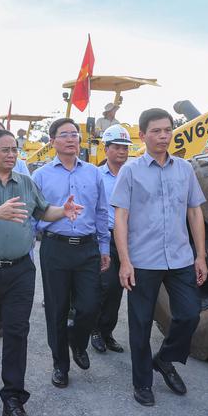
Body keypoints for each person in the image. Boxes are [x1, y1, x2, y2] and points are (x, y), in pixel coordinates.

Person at [0, 128, 82, 416]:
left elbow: (43, 211)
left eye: (15, 149)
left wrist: (62, 211)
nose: (12, 155)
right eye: (5, 150)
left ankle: (13, 398)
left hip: (20, 270)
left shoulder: (25, 183)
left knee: (17, 330)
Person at [111, 108, 208, 407]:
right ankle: (142, 383)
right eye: (156, 131)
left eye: (168, 130)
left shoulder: (185, 169)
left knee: (190, 314)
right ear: (142, 136)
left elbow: (194, 211)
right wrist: (125, 261)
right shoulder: (131, 171)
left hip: (180, 258)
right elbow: (121, 217)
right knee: (140, 325)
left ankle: (165, 359)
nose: (164, 136)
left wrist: (201, 255)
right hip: (143, 260)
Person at [32, 117, 110, 389]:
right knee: (56, 308)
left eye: (74, 134)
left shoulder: (93, 173)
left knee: (90, 305)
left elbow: (101, 211)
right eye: (64, 134)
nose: (71, 139)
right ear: (52, 141)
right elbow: (33, 213)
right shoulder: (40, 176)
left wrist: (103, 246)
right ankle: (60, 365)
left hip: (87, 248)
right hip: (55, 247)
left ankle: (77, 342)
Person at [91, 125, 133, 354]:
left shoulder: (134, 172)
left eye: (125, 148)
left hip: (128, 238)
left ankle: (107, 332)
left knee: (118, 289)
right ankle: (95, 330)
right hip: (104, 238)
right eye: (116, 147)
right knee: (105, 286)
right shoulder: (96, 175)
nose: (122, 152)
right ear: (106, 149)